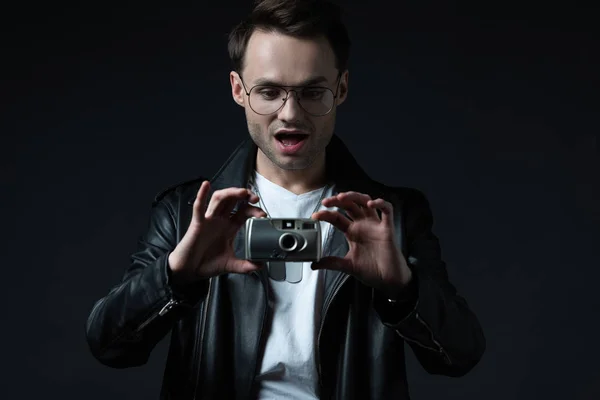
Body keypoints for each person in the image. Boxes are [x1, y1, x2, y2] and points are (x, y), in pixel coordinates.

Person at [85, 0, 486, 399]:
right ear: (238, 90)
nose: (290, 114)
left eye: (313, 92)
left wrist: (402, 288)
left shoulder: (392, 218)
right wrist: (176, 277)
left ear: (341, 88)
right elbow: (110, 346)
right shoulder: (187, 212)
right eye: (269, 91)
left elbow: (459, 356)